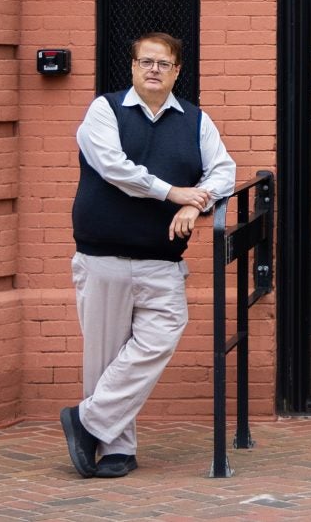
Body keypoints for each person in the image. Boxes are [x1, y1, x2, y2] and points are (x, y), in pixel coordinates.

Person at [60, 33, 235, 478]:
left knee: (162, 334)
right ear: (133, 67)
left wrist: (196, 202)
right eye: (146, 62)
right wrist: (174, 192)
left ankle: (88, 421)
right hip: (104, 256)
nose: (154, 69)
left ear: (177, 71)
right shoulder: (105, 110)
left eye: (164, 63)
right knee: (105, 357)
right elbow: (114, 168)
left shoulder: (196, 121)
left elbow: (224, 171)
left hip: (162, 260)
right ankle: (117, 450)